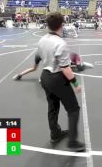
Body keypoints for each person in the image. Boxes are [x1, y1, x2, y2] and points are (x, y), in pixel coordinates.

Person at [31, 12, 85, 151]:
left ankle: (55, 134)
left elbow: (39, 56)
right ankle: (72, 142)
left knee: (53, 107)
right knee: (73, 109)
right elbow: (66, 69)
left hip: (45, 77)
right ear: (62, 25)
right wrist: (75, 84)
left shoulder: (42, 40)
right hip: (57, 78)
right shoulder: (61, 43)